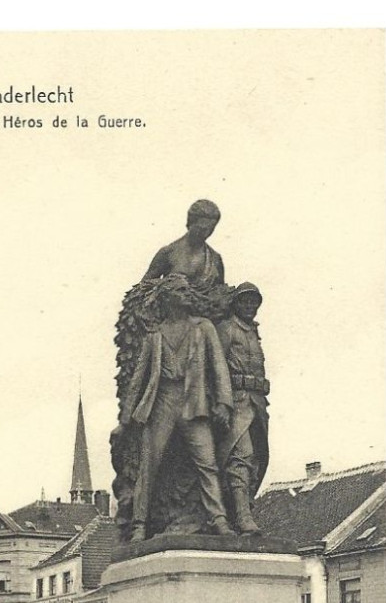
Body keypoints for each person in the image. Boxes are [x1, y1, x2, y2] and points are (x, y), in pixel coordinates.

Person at [113, 276, 236, 540]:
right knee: (149, 465)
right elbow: (137, 381)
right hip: (162, 401)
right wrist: (124, 421)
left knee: (207, 463)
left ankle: (219, 519)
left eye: (187, 289)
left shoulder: (203, 328)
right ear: (168, 297)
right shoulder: (154, 335)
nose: (187, 294)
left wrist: (225, 402)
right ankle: (139, 525)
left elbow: (219, 367)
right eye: (181, 291)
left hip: (194, 401)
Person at [215, 283, 270, 534]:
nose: (249, 307)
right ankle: (242, 517)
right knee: (241, 456)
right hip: (236, 402)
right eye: (244, 301)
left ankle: (243, 509)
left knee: (258, 458)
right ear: (235, 304)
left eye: (253, 302)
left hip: (258, 402)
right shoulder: (227, 329)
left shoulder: (253, 333)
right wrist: (223, 403)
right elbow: (216, 369)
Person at [142, 199, 225, 287]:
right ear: (190, 223)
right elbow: (141, 290)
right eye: (201, 229)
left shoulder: (215, 259)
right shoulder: (168, 253)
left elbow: (221, 294)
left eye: (211, 229)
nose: (206, 233)